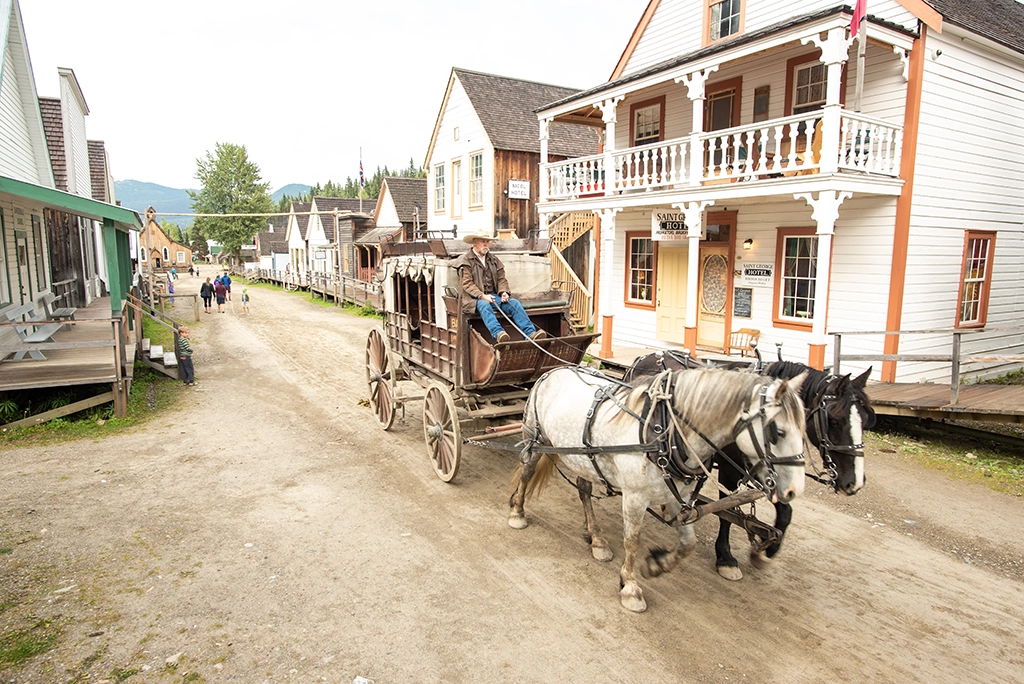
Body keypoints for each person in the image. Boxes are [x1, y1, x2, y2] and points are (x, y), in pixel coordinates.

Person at [455, 232, 546, 344]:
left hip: (493, 296)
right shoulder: (466, 260)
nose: (486, 244)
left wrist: (503, 292)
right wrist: (482, 296)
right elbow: (467, 283)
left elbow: (501, 279)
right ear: (474, 242)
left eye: (487, 241)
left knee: (514, 303)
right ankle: (499, 334)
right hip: (473, 299)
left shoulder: (493, 260)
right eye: (483, 241)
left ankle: (530, 334)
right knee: (484, 305)